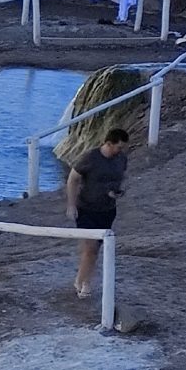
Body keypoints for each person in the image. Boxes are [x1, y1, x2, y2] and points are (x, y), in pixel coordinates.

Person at [66, 127, 129, 299]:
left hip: (107, 210)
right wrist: (71, 205)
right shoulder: (90, 158)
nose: (121, 151)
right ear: (109, 143)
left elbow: (120, 179)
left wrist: (117, 192)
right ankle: (83, 283)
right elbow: (73, 179)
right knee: (90, 248)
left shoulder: (121, 159)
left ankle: (81, 279)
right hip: (86, 209)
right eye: (119, 147)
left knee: (96, 250)